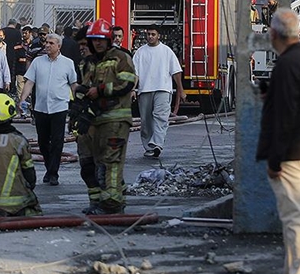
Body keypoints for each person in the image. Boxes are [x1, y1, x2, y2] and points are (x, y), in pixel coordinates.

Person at [256, 9, 300, 274]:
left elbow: (284, 117)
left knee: (296, 219)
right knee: (291, 218)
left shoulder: (285, 65)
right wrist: (272, 96)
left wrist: (274, 160)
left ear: (274, 34)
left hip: (290, 155)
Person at [78, 18, 137, 215]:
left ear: (109, 39)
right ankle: (97, 202)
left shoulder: (121, 57)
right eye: (94, 39)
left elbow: (128, 83)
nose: (98, 43)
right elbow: (84, 87)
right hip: (94, 120)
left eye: (102, 39)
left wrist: (101, 90)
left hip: (116, 119)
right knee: (90, 163)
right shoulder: (89, 62)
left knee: (111, 161)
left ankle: (112, 204)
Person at [19, 33, 78, 186]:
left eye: (51, 43)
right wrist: (23, 99)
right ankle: (48, 167)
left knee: (57, 141)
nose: (47, 45)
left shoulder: (68, 63)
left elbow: (73, 85)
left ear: (59, 46)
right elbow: (29, 82)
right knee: (43, 141)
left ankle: (53, 173)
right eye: (46, 43)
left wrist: (77, 105)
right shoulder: (38, 62)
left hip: (59, 107)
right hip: (41, 108)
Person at [0, 93, 42, 218]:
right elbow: (30, 175)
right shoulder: (18, 141)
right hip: (15, 203)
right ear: (10, 111)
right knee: (35, 212)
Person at [132, 25, 185, 159]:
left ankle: (157, 144)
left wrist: (181, 90)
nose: (150, 36)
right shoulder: (140, 52)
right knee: (146, 121)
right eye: (148, 34)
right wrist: (133, 88)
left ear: (158, 36)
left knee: (161, 117)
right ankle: (149, 147)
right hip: (145, 90)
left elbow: (176, 72)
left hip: (163, 89)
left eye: (153, 34)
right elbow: (135, 73)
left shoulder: (166, 51)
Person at [2, 19, 23, 96]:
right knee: (11, 72)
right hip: (13, 55)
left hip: (3, 53)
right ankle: (11, 88)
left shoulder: (3, 30)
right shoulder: (17, 32)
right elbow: (20, 44)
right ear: (15, 24)